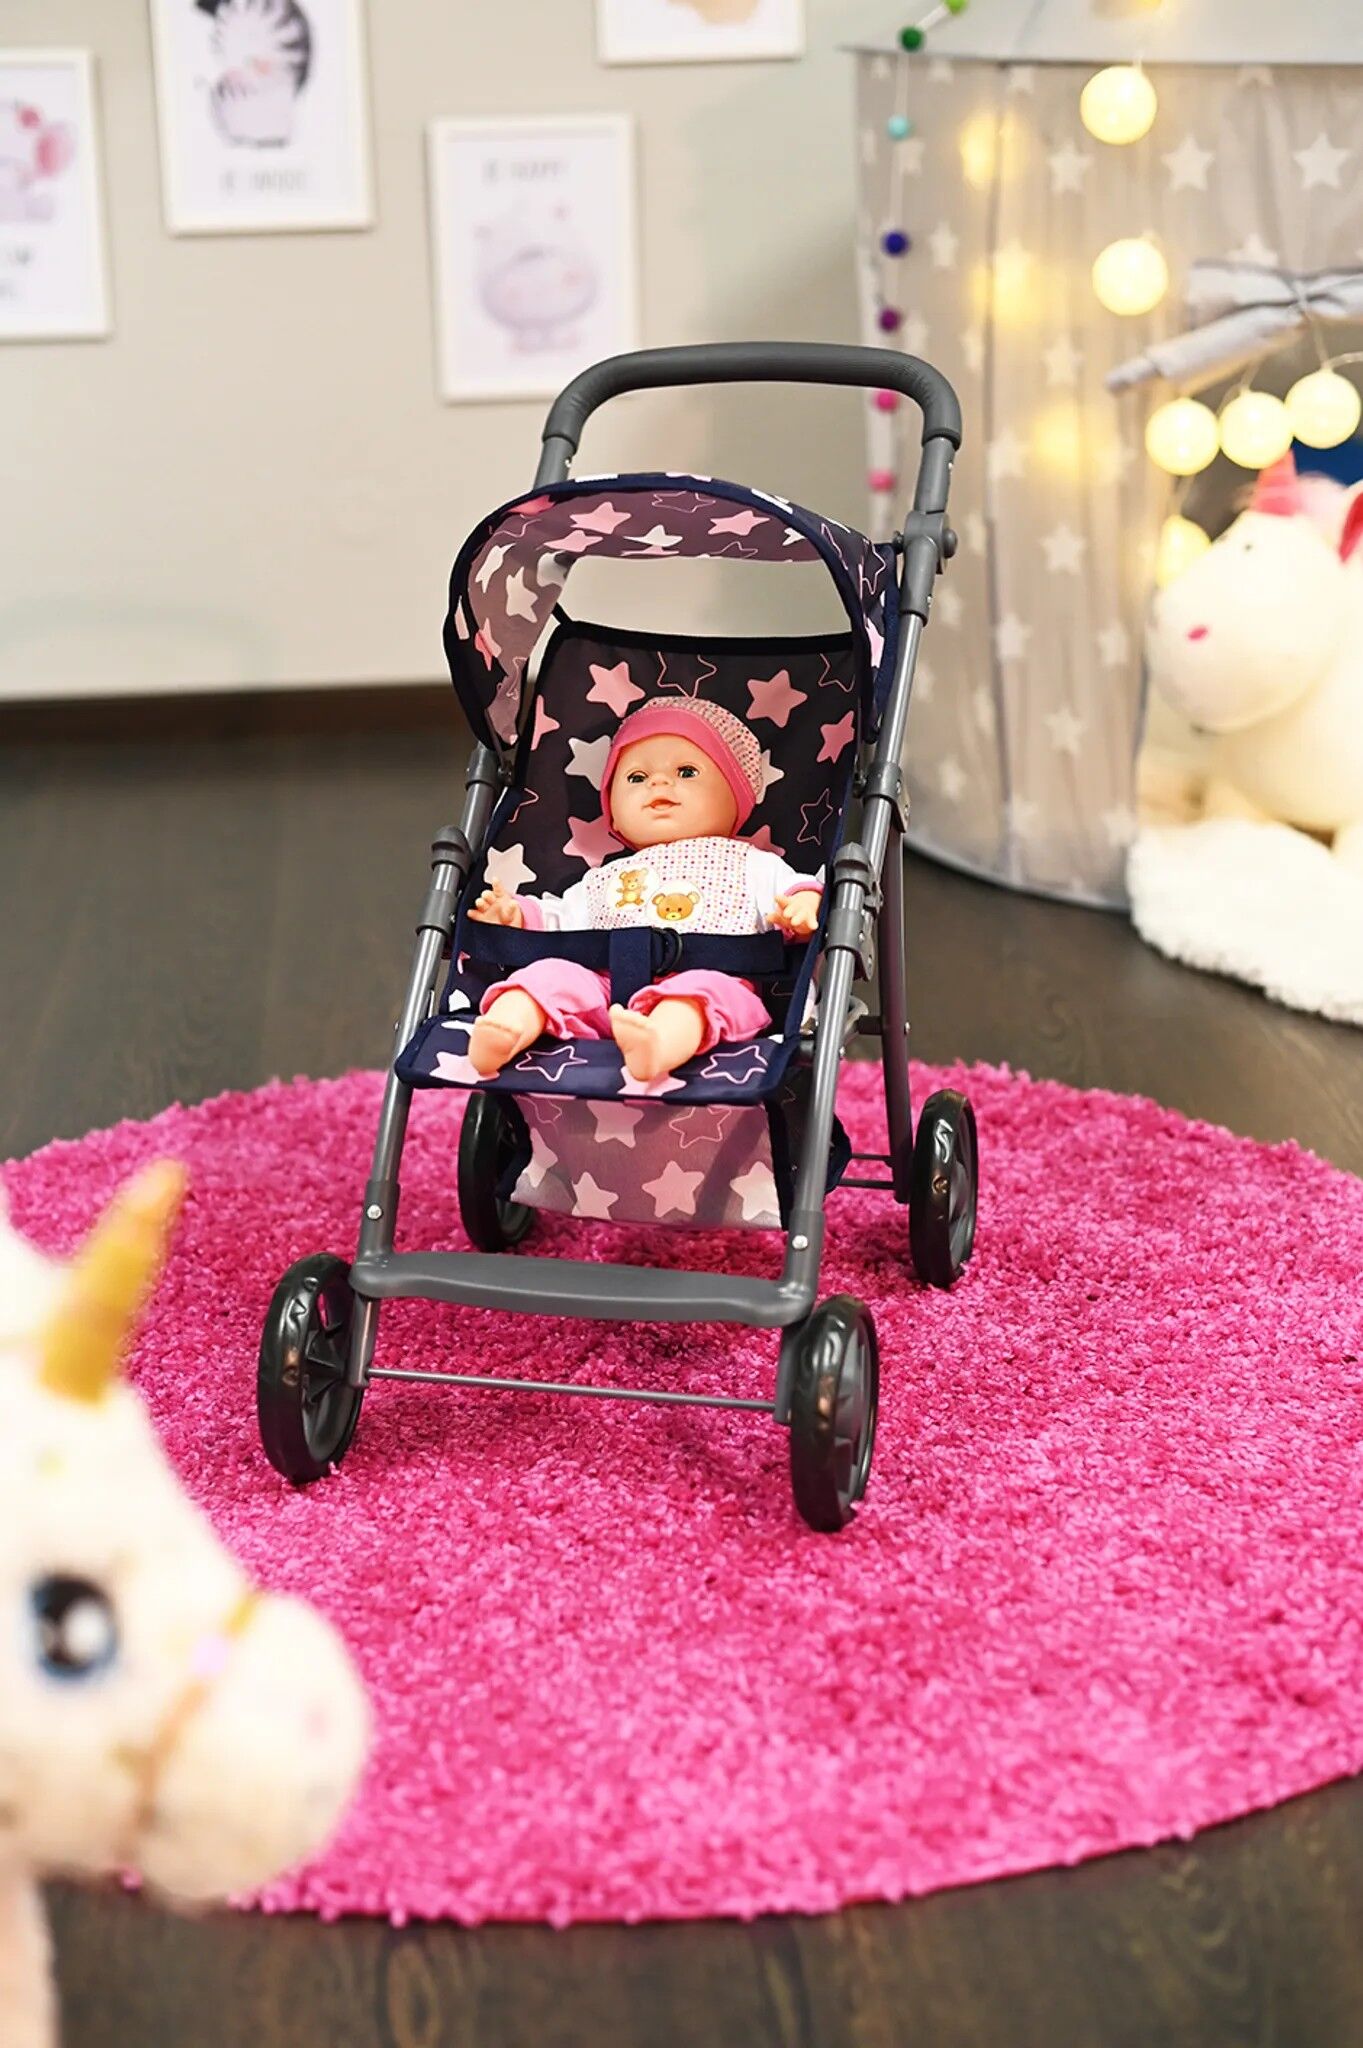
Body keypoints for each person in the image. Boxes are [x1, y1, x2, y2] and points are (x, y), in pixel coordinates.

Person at [467, 698, 823, 1081]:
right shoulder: (607, 875)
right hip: (604, 987)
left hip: (711, 976)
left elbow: (795, 888)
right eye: (636, 778)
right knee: (549, 975)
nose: (659, 782)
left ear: (735, 799)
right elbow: (561, 919)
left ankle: (659, 1043)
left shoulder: (750, 862)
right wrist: (517, 915)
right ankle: (506, 1027)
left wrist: (803, 907)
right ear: (615, 816)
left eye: (686, 771)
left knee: (701, 997)